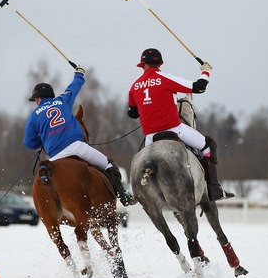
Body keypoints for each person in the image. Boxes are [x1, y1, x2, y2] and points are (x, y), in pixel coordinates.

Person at [23, 65, 136, 206]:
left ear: (38, 99)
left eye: (36, 100)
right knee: (109, 165)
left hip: (56, 155)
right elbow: (74, 87)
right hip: (77, 147)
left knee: (47, 174)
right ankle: (123, 196)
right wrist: (79, 74)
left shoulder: (34, 116)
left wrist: (42, 140)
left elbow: (29, 143)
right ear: (51, 96)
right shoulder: (62, 100)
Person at [127, 48, 228, 201]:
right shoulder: (166, 78)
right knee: (208, 145)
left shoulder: (134, 86)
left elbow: (132, 113)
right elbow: (199, 87)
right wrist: (205, 71)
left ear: (143, 65)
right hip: (175, 129)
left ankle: (135, 193)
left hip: (150, 137)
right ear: (160, 63)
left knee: (139, 163)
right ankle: (214, 189)